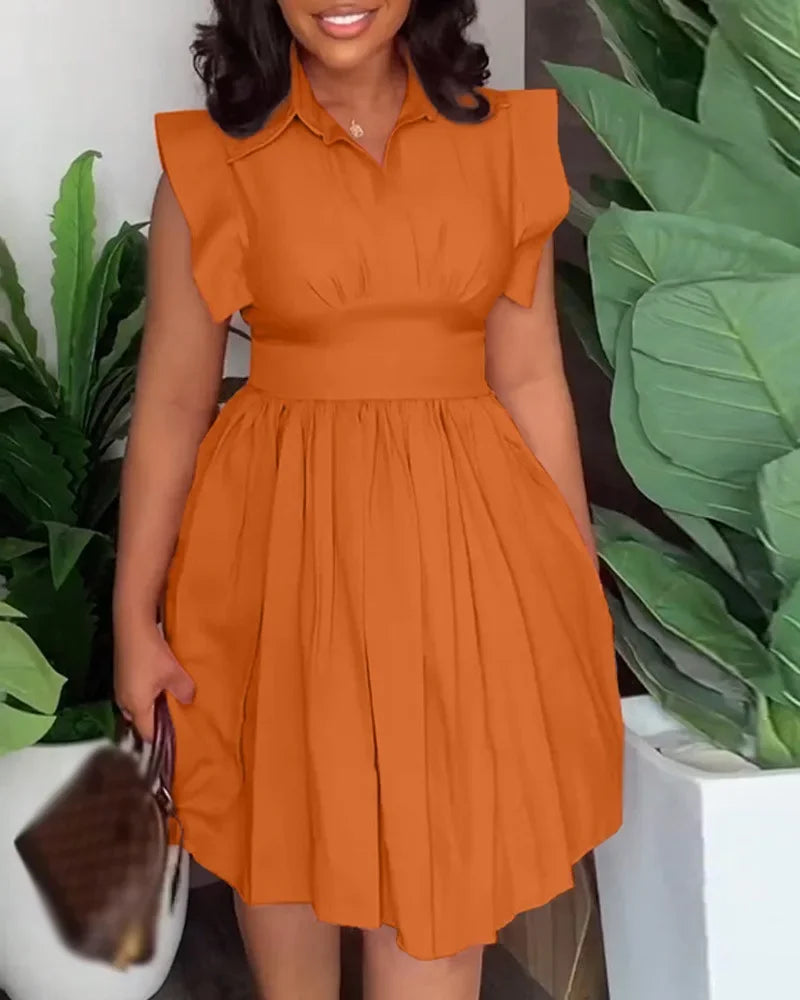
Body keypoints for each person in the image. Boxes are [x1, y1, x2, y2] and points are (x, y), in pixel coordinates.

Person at [113, 1, 624, 997]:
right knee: (285, 836)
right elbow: (172, 402)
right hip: (278, 558)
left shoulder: (503, 143)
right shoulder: (210, 162)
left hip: (464, 552)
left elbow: (529, 379)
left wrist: (570, 582)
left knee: (443, 864)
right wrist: (135, 618)